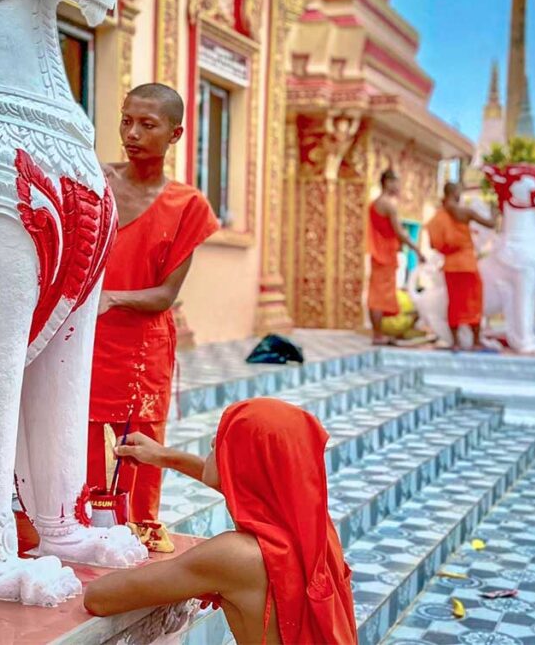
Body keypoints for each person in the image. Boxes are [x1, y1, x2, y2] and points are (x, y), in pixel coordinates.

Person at [84, 398, 358, 645]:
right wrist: (165, 456)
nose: (213, 443)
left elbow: (99, 597)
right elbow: (246, 485)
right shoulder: (315, 529)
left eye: (224, 440)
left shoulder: (235, 556)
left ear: (244, 465)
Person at [88, 83, 219, 553]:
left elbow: (165, 295)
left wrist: (110, 299)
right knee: (79, 437)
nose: (133, 133)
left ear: (175, 134)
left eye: (148, 124)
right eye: (127, 121)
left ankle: (139, 528)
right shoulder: (95, 182)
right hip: (84, 340)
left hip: (143, 348)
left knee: (138, 445)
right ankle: (80, 526)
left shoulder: (187, 205)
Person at [426, 182, 497, 350]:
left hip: (451, 265)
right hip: (467, 264)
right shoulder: (465, 212)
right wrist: (495, 211)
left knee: (455, 303)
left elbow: (434, 243)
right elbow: (491, 224)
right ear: (455, 193)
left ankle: (456, 342)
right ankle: (475, 341)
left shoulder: (438, 216)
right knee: (474, 301)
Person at [368, 169, 424, 345]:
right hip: (383, 254)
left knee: (380, 293)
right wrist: (417, 250)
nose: (398, 186)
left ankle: (379, 333)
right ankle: (377, 334)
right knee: (378, 296)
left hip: (382, 253)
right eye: (396, 182)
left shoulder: (376, 203)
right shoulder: (387, 204)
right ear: (387, 182)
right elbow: (400, 232)